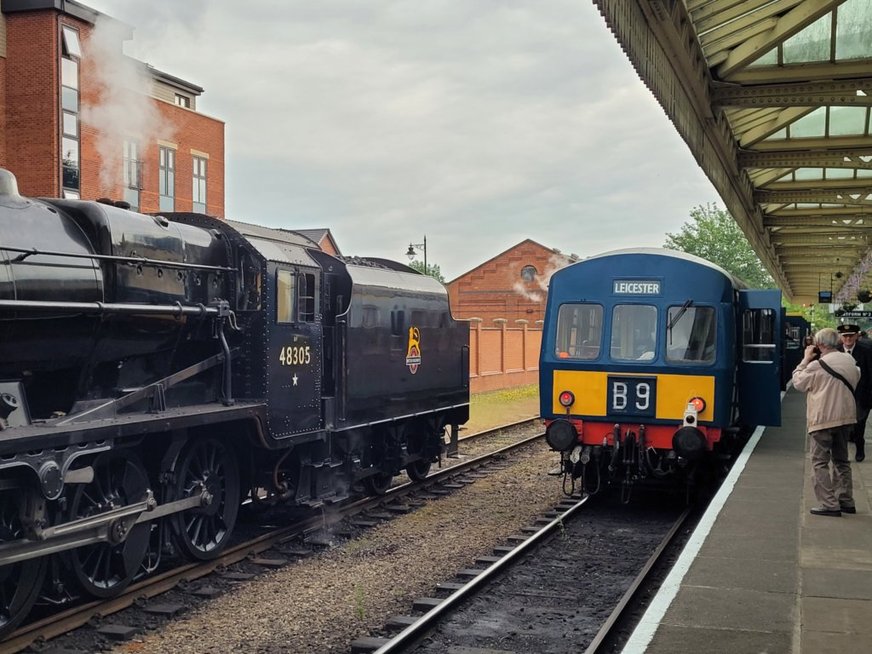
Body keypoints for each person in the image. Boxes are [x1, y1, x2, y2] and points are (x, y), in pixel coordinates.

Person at [792, 327, 859, 517]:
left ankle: (829, 504)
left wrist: (805, 359)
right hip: (846, 417)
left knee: (819, 462)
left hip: (823, 419)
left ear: (820, 344)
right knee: (842, 460)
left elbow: (798, 383)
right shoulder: (850, 361)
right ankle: (846, 500)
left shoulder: (818, 365)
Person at [836, 323, 871, 462]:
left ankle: (860, 447)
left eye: (851, 336)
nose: (848, 339)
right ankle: (842, 451)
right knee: (842, 424)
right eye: (845, 336)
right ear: (841, 337)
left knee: (859, 422)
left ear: (856, 336)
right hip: (841, 394)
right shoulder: (836, 351)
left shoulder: (866, 351)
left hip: (861, 394)